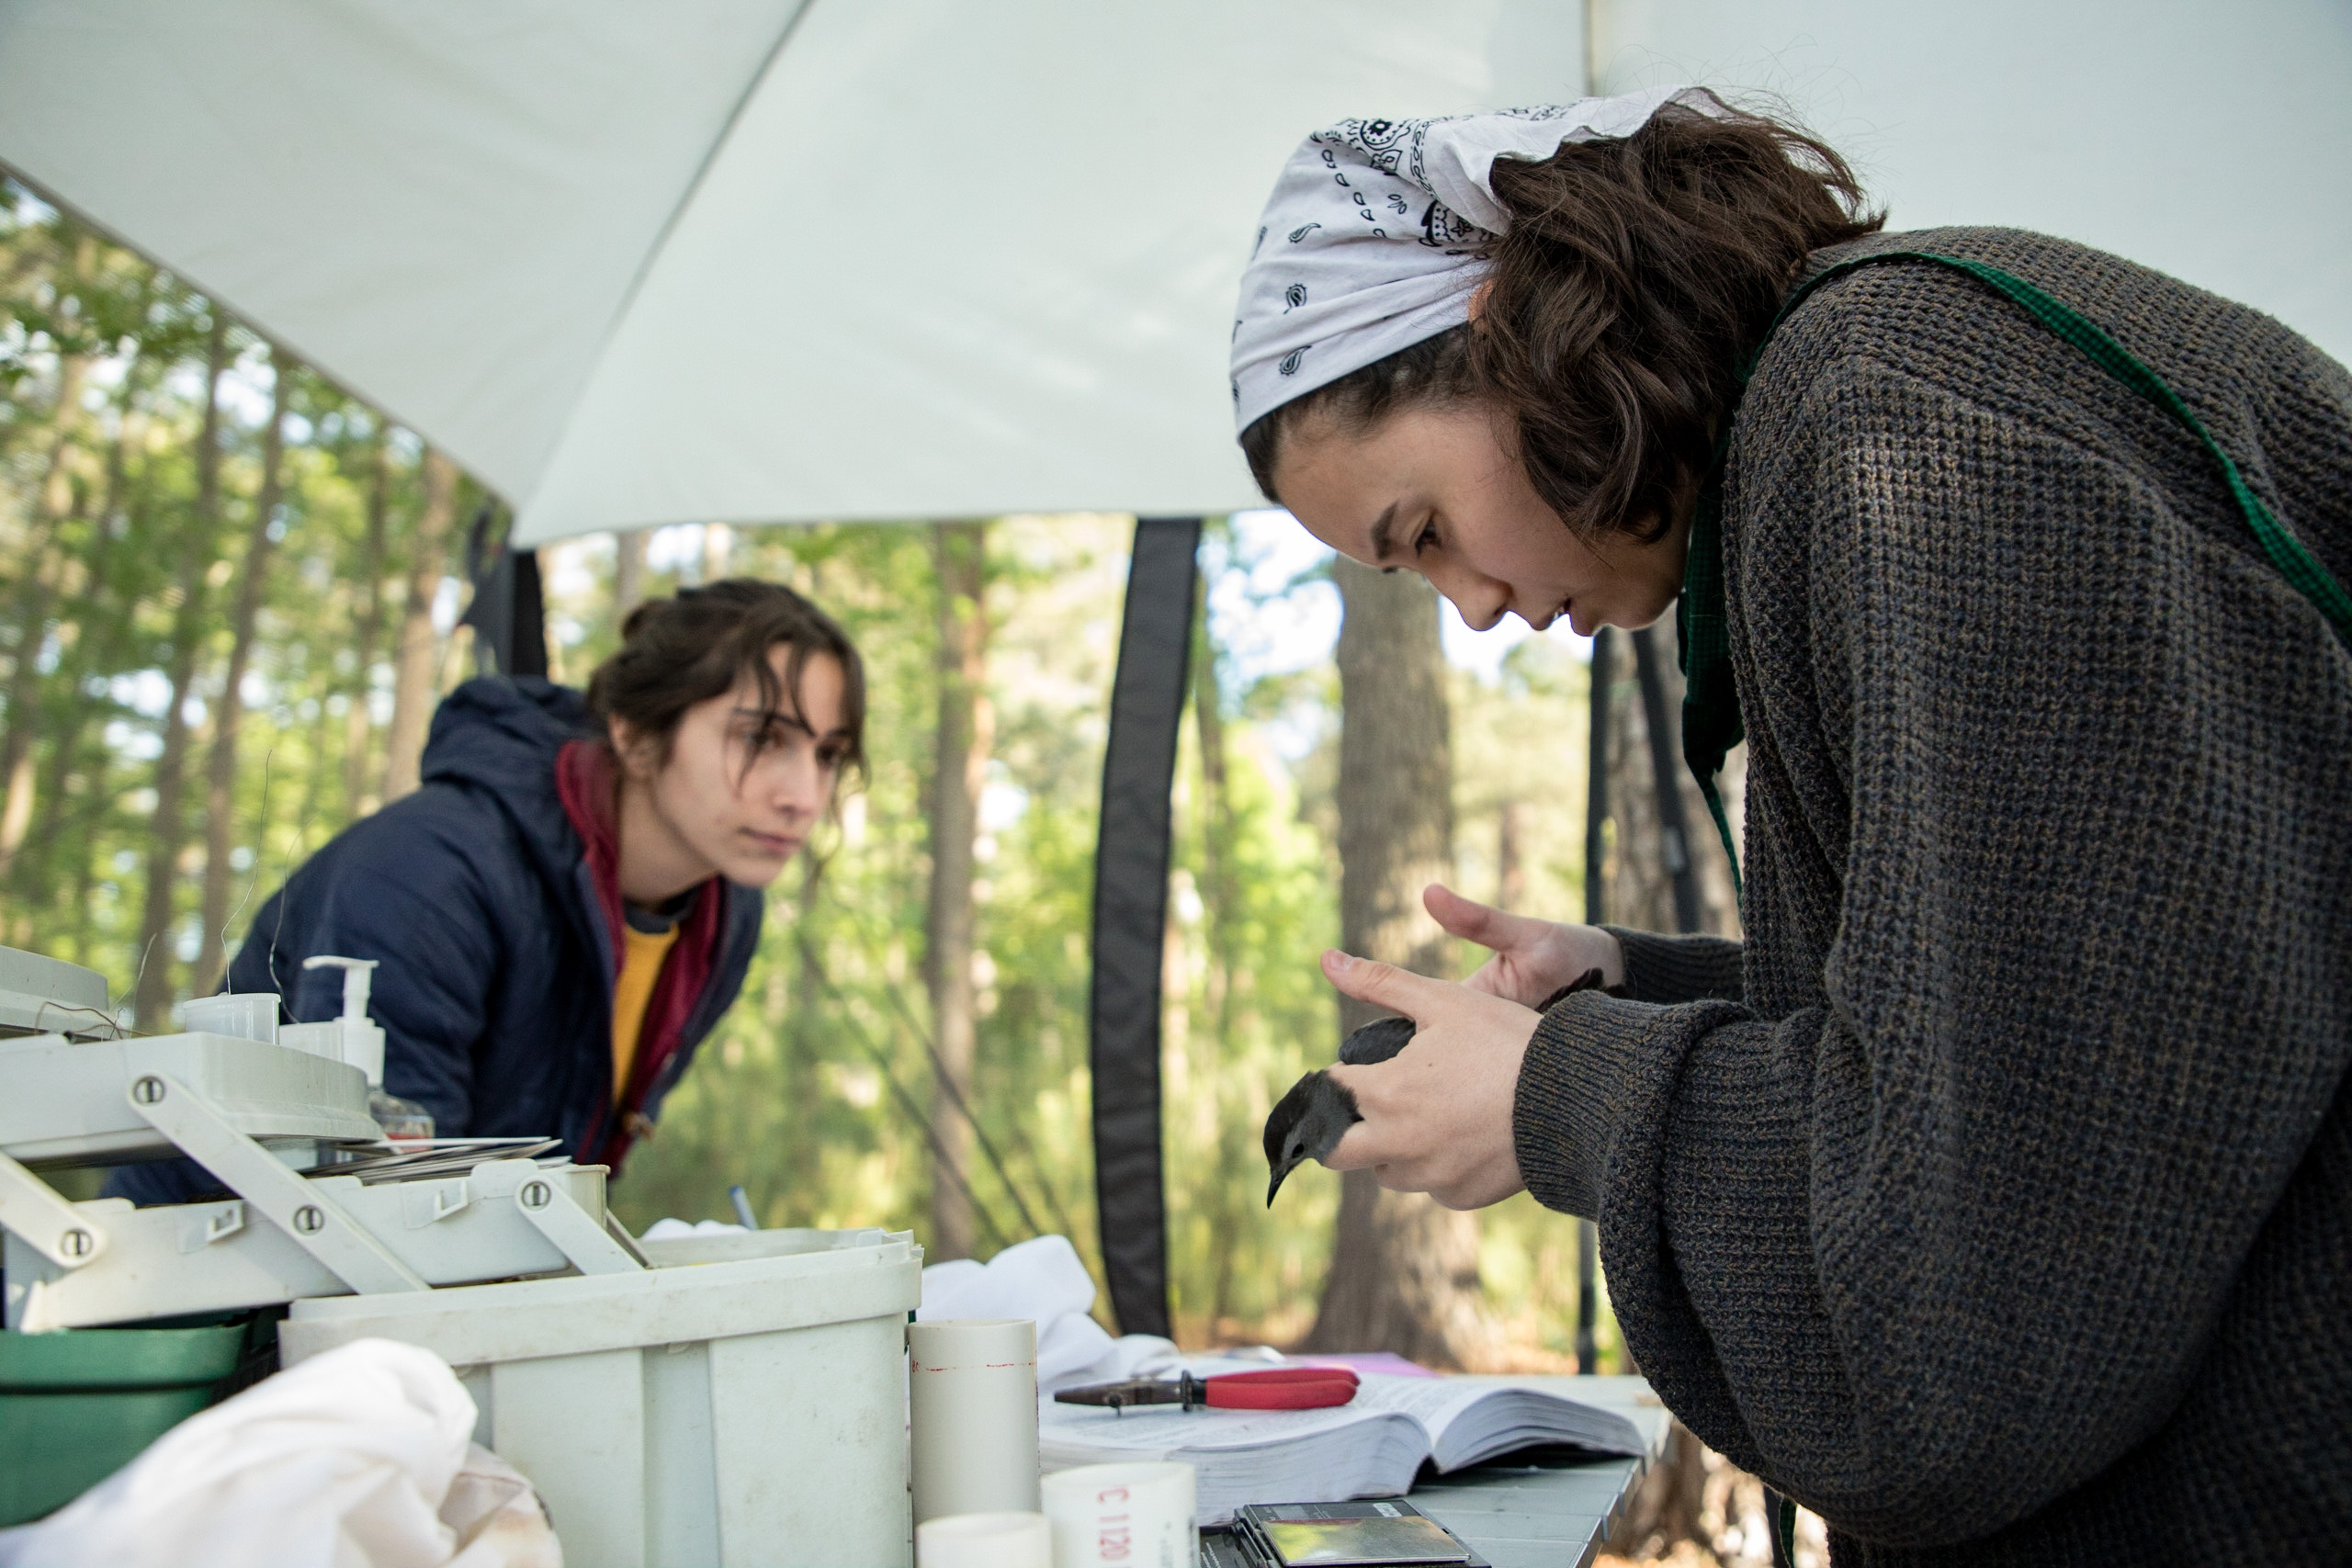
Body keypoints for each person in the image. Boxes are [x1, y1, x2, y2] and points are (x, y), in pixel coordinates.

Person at [1230, 87, 2349, 1563]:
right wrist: (1644, 986)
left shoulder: (1911, 427)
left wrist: (1566, 1091)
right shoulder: (1847, 404)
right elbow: (2087, 1022)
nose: (1476, 607)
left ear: (1512, 325)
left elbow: (1984, 1297)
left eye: (1426, 529)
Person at [112, 579, 863, 1202]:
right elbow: (386, 1200)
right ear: (635, 735)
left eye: (828, 754)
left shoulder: (723, 911)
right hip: (190, 1313)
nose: (805, 794)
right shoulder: (429, 874)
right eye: (761, 738)